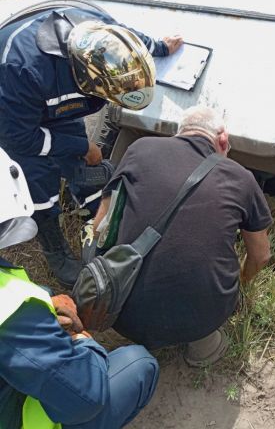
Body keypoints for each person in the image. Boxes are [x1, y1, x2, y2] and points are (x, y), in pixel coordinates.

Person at [0, 5, 183, 288]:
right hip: (15, 117)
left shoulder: (101, 30)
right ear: (85, 78)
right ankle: (53, 245)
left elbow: (127, 43)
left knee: (83, 162)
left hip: (56, 103)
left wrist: (158, 47)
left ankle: (90, 208)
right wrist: (82, 145)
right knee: (38, 176)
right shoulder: (22, 68)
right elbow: (21, 139)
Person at [93, 105, 272, 365]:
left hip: (118, 311)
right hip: (198, 320)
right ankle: (202, 350)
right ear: (223, 139)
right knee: (207, 337)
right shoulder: (241, 178)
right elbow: (261, 255)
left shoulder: (140, 149)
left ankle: (140, 341)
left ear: (179, 134)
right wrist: (241, 283)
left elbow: (101, 224)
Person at [0, 147, 159, 429]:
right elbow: (86, 397)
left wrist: (45, 300)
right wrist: (82, 340)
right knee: (138, 364)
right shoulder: (12, 312)